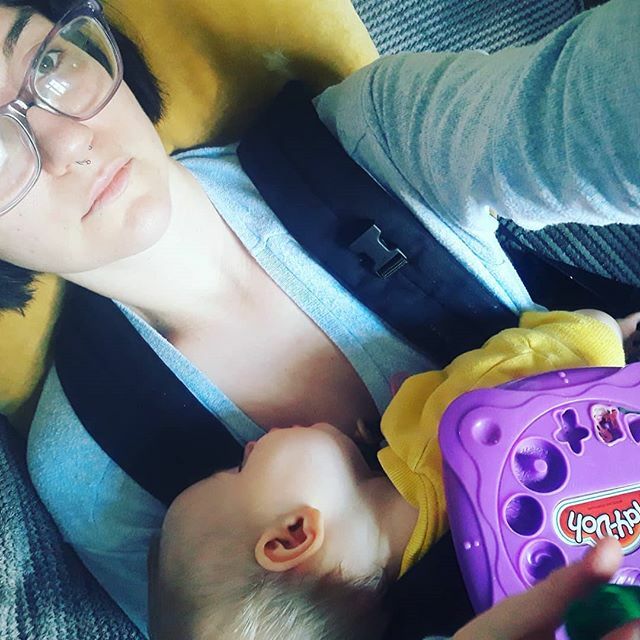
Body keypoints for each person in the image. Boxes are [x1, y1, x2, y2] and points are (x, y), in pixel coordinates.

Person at [0, 0, 636, 635]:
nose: (68, 140)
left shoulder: (373, 140)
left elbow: (587, 102)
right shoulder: (91, 473)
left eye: (48, 61)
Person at [148, 307, 627, 640]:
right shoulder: (458, 431)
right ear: (294, 534)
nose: (250, 443)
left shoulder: (462, 610)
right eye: (242, 467)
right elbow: (588, 343)